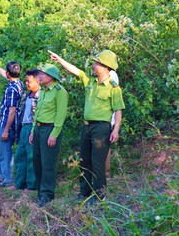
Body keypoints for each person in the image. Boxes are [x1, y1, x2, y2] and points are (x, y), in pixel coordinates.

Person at [48, 50, 125, 204]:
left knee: (97, 163)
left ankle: (99, 195)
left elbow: (118, 111)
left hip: (101, 129)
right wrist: (60, 60)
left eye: (97, 63)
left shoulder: (113, 87)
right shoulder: (90, 82)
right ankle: (84, 192)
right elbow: (76, 70)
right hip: (87, 127)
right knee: (85, 161)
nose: (94, 65)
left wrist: (115, 130)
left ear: (105, 67)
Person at [29, 63, 68, 206]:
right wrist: (33, 131)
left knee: (47, 164)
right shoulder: (44, 90)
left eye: (42, 74)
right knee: (37, 162)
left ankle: (47, 195)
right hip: (39, 129)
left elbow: (61, 115)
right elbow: (37, 112)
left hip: (50, 130)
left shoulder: (59, 91)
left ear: (50, 77)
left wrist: (54, 134)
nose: (39, 76)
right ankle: (40, 193)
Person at [0, 59, 23, 187]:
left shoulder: (12, 89)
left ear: (9, 73)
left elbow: (12, 111)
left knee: (6, 151)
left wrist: (6, 130)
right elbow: (5, 74)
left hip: (8, 124)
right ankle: (2, 176)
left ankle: (7, 179)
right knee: (2, 151)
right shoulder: (18, 83)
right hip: (7, 124)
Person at [9, 69, 41, 192]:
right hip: (23, 127)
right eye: (26, 81)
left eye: (29, 81)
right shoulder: (27, 95)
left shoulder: (41, 95)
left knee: (31, 157)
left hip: (32, 127)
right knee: (19, 156)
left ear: (37, 81)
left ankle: (32, 185)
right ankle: (19, 183)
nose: (26, 83)